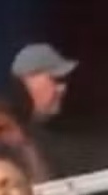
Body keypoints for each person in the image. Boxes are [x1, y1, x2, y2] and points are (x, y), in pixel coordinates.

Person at [11, 43, 81, 177]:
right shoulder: (8, 139)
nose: (63, 88)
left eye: (64, 81)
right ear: (27, 83)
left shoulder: (68, 132)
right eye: (55, 80)